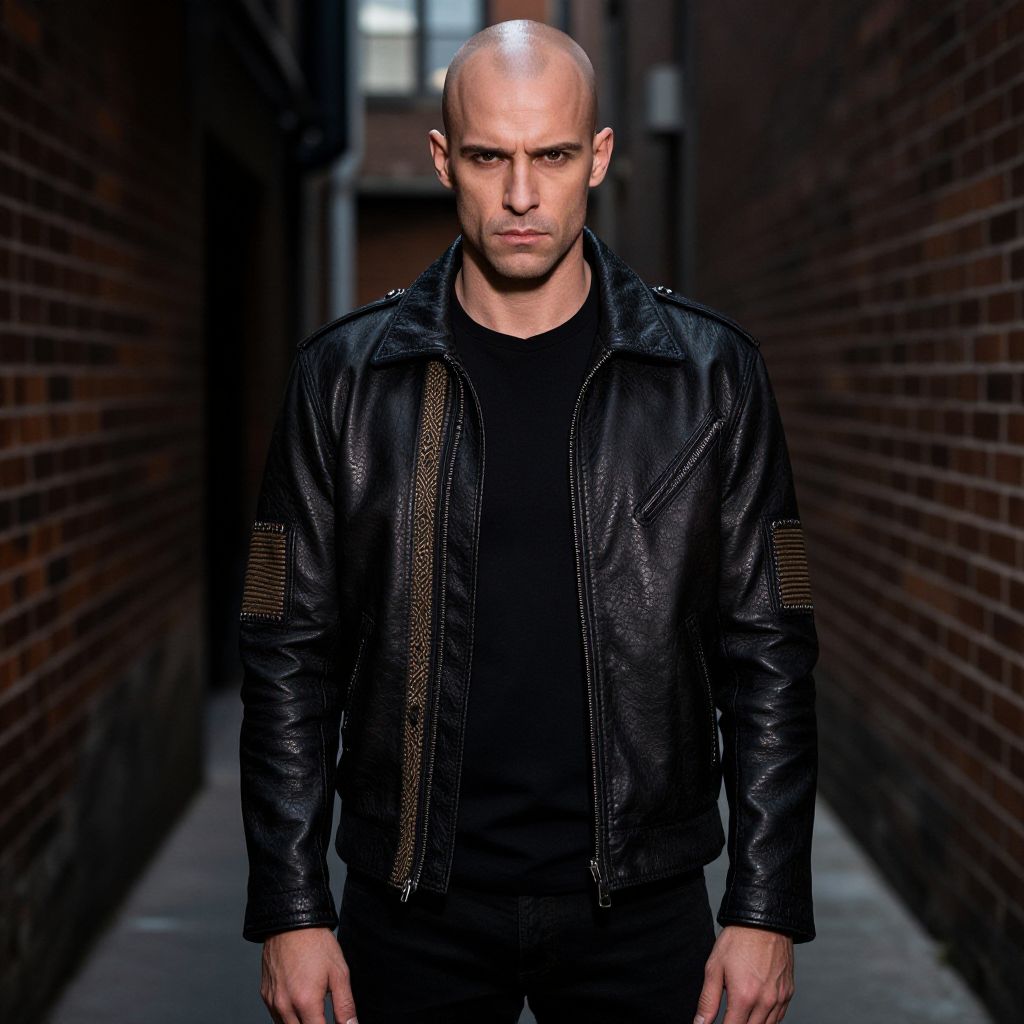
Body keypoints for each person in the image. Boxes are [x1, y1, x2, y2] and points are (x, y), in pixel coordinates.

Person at [238, 18, 819, 1024]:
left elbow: (769, 647)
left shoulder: (711, 377)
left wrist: (765, 903)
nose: (518, 195)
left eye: (550, 156)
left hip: (639, 904)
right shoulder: (342, 379)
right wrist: (291, 906)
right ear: (440, 159)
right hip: (411, 904)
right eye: (487, 157)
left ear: (596, 157)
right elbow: (285, 649)